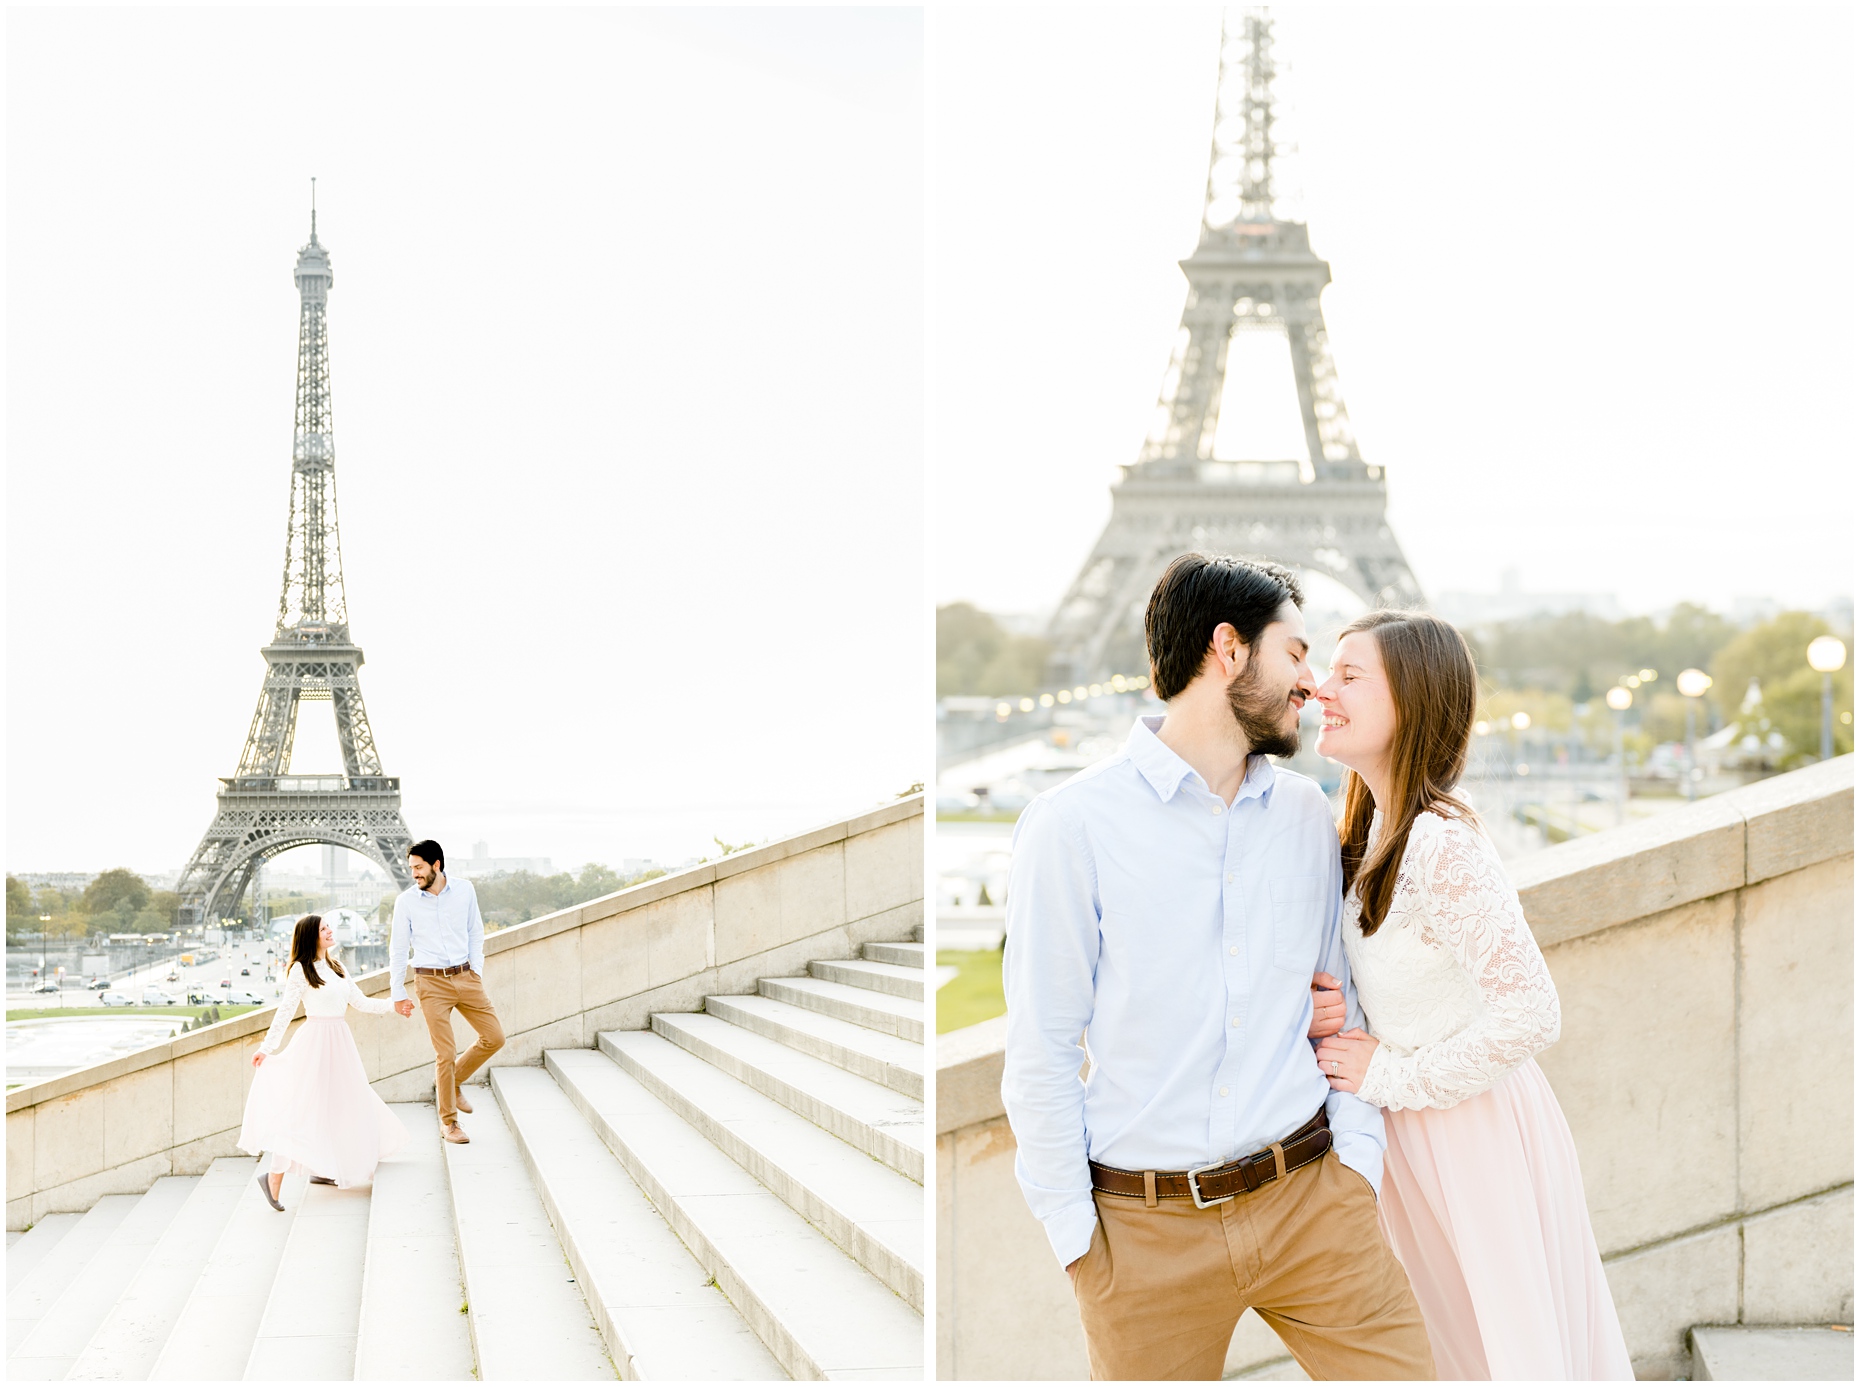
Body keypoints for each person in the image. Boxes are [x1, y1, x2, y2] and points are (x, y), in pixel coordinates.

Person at [1001, 553, 1435, 1381]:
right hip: (1144, 1232)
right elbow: (1042, 1047)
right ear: (1228, 651)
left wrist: (1356, 1170)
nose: (1310, 681)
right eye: (1296, 652)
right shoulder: (1071, 826)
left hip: (1314, 1200)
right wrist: (1079, 1242)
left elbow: (1343, 1003)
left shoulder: (1307, 816)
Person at [1309, 609, 1633, 1380]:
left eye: (1350, 675)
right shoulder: (1370, 833)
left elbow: (1531, 1011)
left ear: (1411, 701)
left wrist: (1390, 1074)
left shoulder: (1439, 844)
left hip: (1471, 1135)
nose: (1323, 687)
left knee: (1498, 1352)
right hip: (1416, 1139)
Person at [238, 913, 409, 1208]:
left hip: (339, 1041)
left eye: (329, 926)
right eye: (323, 928)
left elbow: (361, 1002)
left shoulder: (338, 966)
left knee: (341, 1104)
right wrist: (267, 1048)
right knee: (303, 1111)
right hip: (315, 1043)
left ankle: (325, 1169)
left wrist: (393, 1006)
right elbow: (286, 1011)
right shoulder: (300, 970)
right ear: (311, 936)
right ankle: (274, 1178)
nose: (330, 931)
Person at [389, 838, 504, 1145]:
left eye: (418, 867)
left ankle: (454, 1082)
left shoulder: (465, 890)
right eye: (411, 868)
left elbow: (475, 930)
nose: (413, 874)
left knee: (495, 1037)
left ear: (436, 865)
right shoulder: (407, 902)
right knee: (445, 1054)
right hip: (430, 982)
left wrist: (475, 971)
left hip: (466, 977)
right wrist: (397, 990)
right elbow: (399, 948)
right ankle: (449, 1123)